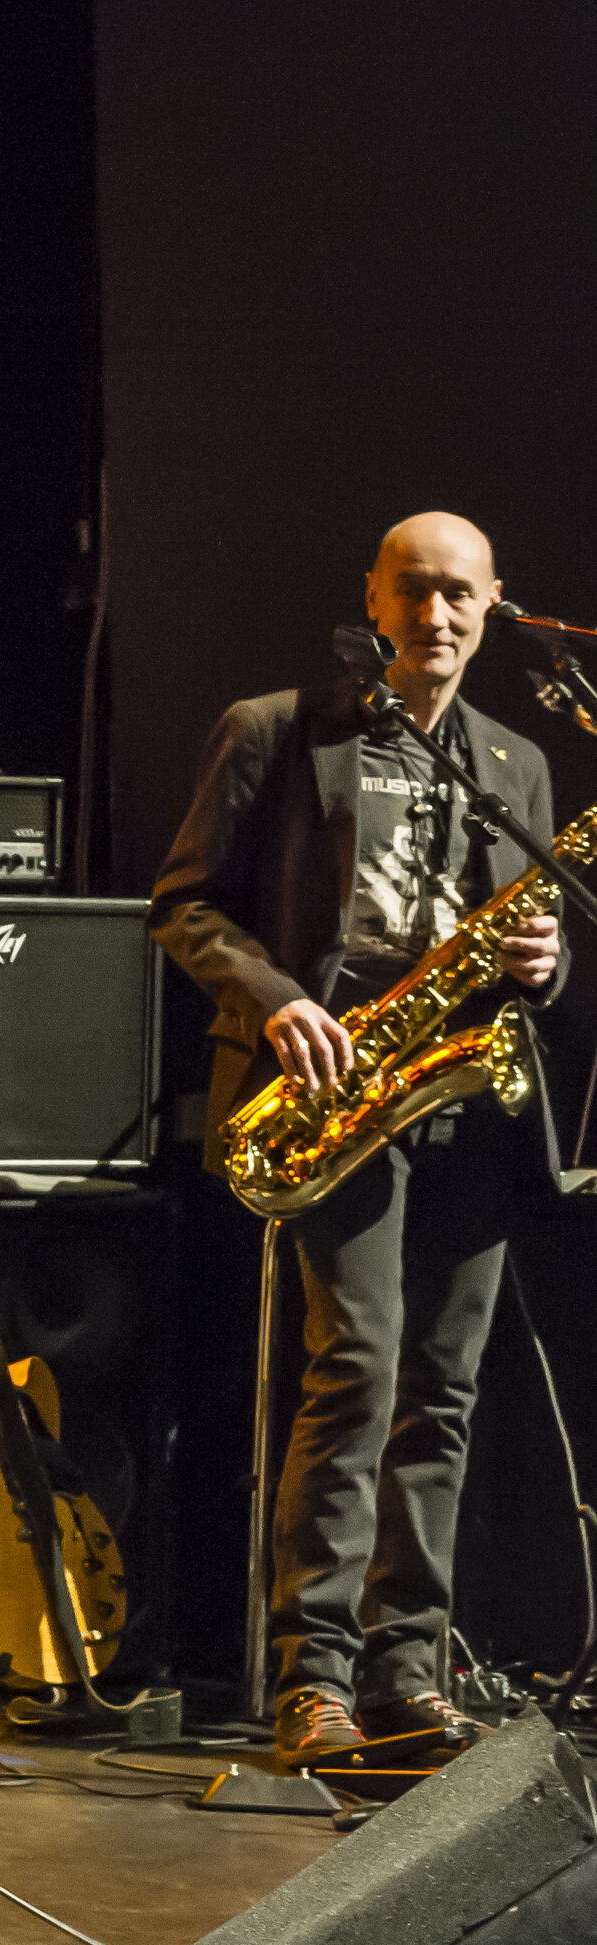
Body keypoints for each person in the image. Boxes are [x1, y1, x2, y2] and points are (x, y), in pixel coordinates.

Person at [150, 510, 565, 1770]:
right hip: (336, 1092)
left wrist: (540, 968)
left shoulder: (516, 762)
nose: (435, 617)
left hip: (467, 1104)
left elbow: (521, 936)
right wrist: (278, 1003)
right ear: (371, 600)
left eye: (458, 595)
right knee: (358, 1372)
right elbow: (182, 905)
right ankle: (311, 1673)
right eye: (413, 592)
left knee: (442, 1392)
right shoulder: (276, 729)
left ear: (495, 606)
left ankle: (406, 1668)